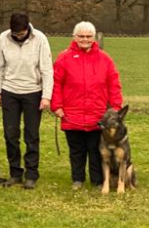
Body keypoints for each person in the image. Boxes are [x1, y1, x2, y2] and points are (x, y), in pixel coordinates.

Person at [50, 21, 123, 190]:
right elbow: (56, 83)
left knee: (96, 149)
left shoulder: (105, 59)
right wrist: (57, 105)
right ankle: (78, 179)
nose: (85, 39)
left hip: (98, 114)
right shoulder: (64, 58)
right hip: (72, 113)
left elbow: (114, 84)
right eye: (81, 36)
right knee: (76, 149)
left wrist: (115, 107)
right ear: (74, 37)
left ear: (94, 37)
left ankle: (97, 180)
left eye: (88, 36)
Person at [0, 11, 54, 190]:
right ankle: (15, 173)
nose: (18, 37)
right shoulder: (3, 38)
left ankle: (31, 174)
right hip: (9, 91)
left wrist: (46, 96)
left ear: (28, 28)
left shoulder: (40, 39)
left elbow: (47, 69)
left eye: (21, 34)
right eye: (15, 34)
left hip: (33, 92)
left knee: (31, 135)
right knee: (10, 134)